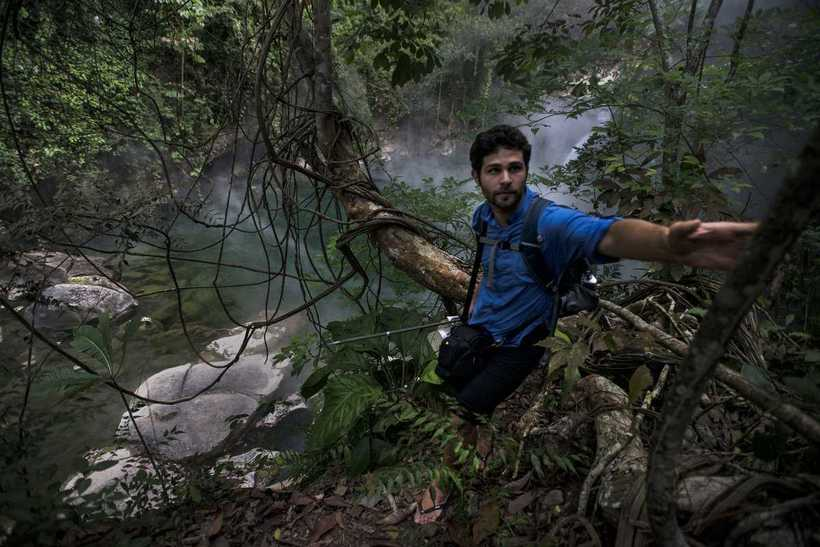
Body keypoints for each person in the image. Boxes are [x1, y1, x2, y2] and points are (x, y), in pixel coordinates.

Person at [414, 124, 757, 524]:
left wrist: (667, 244)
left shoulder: (548, 224)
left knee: (460, 416)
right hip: (479, 332)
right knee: (461, 388)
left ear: (526, 170)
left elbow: (607, 234)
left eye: (515, 167)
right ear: (477, 176)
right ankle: (482, 438)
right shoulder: (482, 219)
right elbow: (489, 272)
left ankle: (440, 488)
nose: (506, 179)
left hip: (520, 345)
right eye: (494, 170)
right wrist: (472, 312)